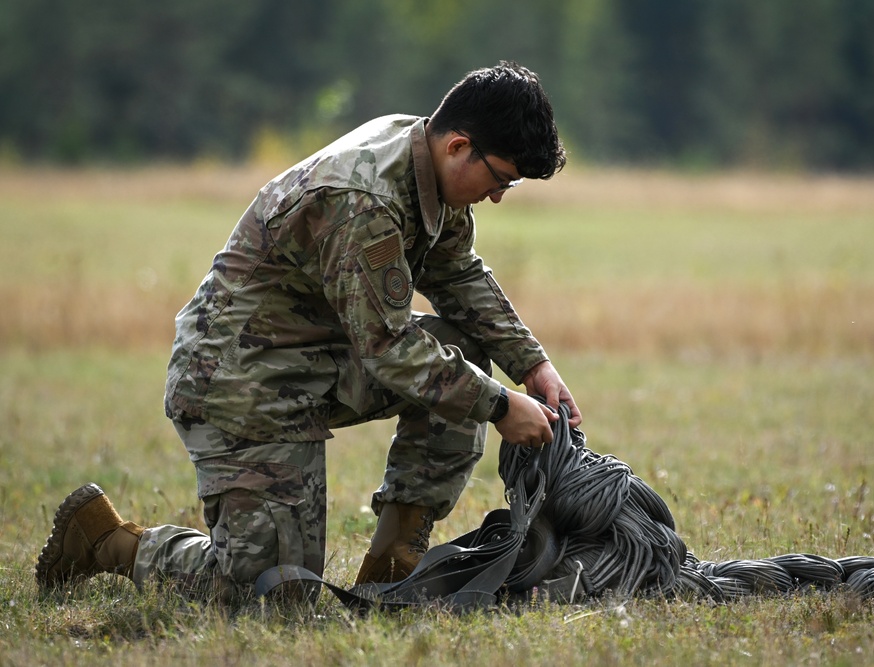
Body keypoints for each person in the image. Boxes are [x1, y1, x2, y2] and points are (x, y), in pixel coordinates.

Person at [35, 61, 582, 603]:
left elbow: (458, 274)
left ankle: (393, 565)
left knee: (460, 351)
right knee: (272, 594)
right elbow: (389, 348)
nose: (498, 196)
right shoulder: (364, 199)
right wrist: (501, 407)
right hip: (238, 379)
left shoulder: (426, 161)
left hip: (315, 358)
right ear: (459, 146)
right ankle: (106, 541)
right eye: (501, 178)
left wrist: (534, 367)